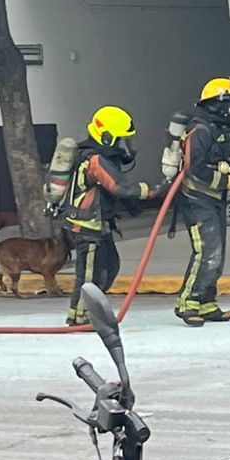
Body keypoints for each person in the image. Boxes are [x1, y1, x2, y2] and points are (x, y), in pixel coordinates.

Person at [175, 77, 230, 327]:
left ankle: (206, 302)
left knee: (218, 253)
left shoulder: (224, 127)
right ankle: (188, 303)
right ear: (216, 104)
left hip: (214, 199)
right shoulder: (200, 131)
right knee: (206, 251)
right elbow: (195, 170)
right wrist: (227, 182)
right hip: (196, 199)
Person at [63, 106, 159, 327]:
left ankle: (92, 307)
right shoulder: (94, 159)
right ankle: (78, 315)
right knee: (89, 274)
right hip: (87, 226)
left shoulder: (104, 158)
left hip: (100, 224)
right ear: (106, 137)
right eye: (119, 141)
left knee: (109, 267)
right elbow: (119, 187)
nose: (123, 147)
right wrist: (154, 190)